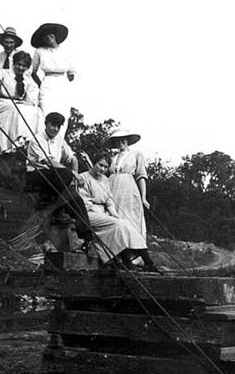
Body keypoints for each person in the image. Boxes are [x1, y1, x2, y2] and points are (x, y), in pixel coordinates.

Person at [78, 151, 159, 271]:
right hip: (89, 214)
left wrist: (115, 216)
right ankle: (126, 261)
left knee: (124, 223)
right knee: (117, 225)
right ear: (94, 163)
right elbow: (84, 204)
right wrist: (106, 215)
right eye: (100, 165)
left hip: (103, 214)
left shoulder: (105, 180)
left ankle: (148, 262)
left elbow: (109, 202)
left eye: (105, 167)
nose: (102, 169)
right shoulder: (83, 178)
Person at [26, 111, 93, 249]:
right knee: (65, 174)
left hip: (55, 177)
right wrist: (73, 174)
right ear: (46, 124)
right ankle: (55, 205)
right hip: (36, 176)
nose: (55, 129)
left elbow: (72, 157)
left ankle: (87, 238)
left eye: (58, 126)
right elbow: (49, 162)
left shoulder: (59, 139)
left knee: (76, 199)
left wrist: (75, 177)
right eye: (53, 125)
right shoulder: (36, 139)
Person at [0, 51, 43, 154]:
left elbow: (32, 95)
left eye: (24, 66)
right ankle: (15, 143)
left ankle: (31, 142)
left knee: (37, 111)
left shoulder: (27, 79)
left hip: (20, 104)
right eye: (18, 64)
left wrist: (29, 101)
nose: (21, 68)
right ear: (14, 63)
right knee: (16, 110)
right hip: (3, 104)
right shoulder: (3, 73)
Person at [105, 127, 149, 241]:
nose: (120, 142)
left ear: (127, 140)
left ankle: (132, 250)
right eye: (117, 140)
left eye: (122, 139)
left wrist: (143, 198)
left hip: (128, 189)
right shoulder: (112, 158)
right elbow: (101, 174)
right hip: (112, 187)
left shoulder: (136, 155)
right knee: (112, 215)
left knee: (129, 217)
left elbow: (141, 176)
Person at [30, 23, 76, 132]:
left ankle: (59, 144)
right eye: (45, 35)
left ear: (55, 35)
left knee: (63, 113)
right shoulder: (40, 51)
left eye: (50, 34)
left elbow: (71, 72)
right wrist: (40, 84)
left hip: (62, 84)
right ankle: (45, 144)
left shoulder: (65, 51)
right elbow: (32, 71)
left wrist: (66, 78)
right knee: (46, 112)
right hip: (47, 83)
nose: (48, 37)